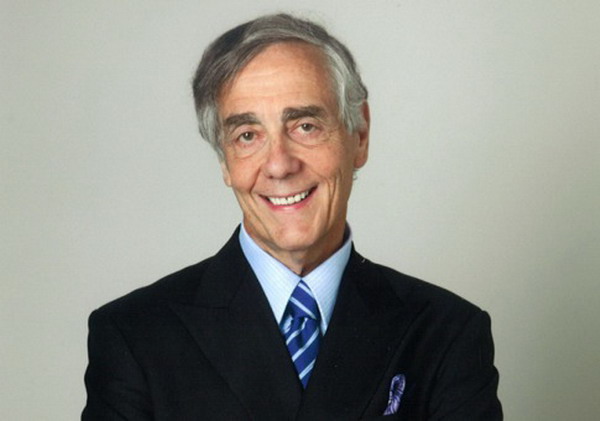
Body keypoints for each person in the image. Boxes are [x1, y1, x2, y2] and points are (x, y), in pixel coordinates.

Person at [82, 13, 502, 420]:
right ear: (225, 161)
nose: (279, 165)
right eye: (248, 135)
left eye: (305, 126)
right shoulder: (135, 336)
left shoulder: (447, 333)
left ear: (359, 135)